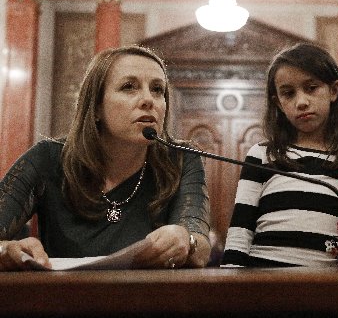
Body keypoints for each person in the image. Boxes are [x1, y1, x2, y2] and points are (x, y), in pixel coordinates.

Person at [0, 45, 211, 270]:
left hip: (148, 300)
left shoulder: (181, 159)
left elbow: (200, 245)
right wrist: (4, 250)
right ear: (96, 106)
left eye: (158, 90)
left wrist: (186, 240)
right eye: (129, 87)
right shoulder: (47, 158)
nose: (148, 100)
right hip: (65, 300)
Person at [221, 42, 338, 267]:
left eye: (311, 88)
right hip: (261, 281)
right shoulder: (263, 154)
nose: (301, 102)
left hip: (324, 288)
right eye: (288, 93)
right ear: (278, 102)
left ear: (333, 91)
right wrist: (230, 280)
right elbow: (240, 228)